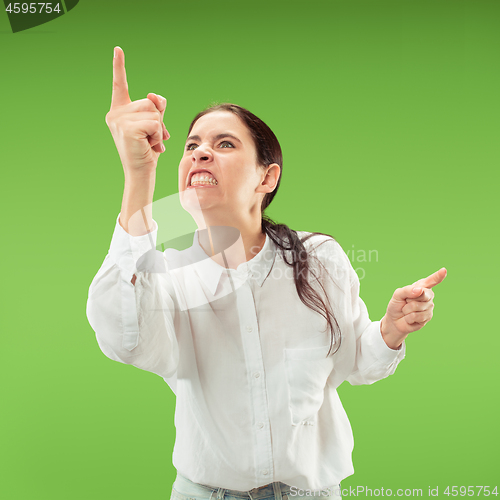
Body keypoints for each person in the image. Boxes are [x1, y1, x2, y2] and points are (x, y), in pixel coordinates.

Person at [86, 46, 447, 500]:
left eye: (224, 144)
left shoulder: (318, 259)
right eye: (192, 145)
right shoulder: (168, 273)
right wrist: (138, 177)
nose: (200, 154)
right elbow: (125, 339)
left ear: (267, 178)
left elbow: (356, 362)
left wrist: (390, 331)